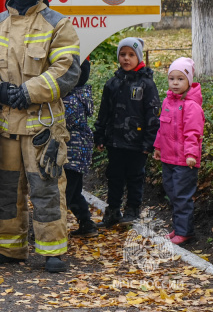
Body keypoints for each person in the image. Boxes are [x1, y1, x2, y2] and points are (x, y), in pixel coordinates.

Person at [0, 0, 80, 273]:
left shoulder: (57, 23)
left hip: (42, 127)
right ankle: (9, 248)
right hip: (6, 126)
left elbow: (68, 69)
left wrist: (28, 92)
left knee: (46, 187)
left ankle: (53, 250)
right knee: (7, 191)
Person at [93, 37, 160, 229]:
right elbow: (104, 112)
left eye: (131, 55)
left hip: (137, 144)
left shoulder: (146, 84)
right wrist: (100, 135)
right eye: (122, 54)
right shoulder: (112, 83)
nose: (126, 59)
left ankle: (132, 210)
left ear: (138, 57)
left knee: (135, 176)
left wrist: (149, 142)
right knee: (114, 176)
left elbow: (152, 114)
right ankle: (113, 210)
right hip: (115, 141)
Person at [154, 57, 203, 245]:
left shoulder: (192, 106)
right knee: (172, 193)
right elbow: (162, 128)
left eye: (180, 79)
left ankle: (185, 231)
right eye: (171, 78)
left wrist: (191, 154)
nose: (175, 83)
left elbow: (193, 132)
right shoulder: (167, 102)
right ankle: (178, 227)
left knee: (182, 195)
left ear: (189, 81)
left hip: (184, 161)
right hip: (168, 158)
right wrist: (158, 147)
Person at [63, 60, 97, 238]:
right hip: (77, 154)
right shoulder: (78, 95)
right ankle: (87, 223)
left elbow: (63, 121)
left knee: (65, 193)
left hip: (72, 154)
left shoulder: (71, 99)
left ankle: (54, 228)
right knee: (74, 192)